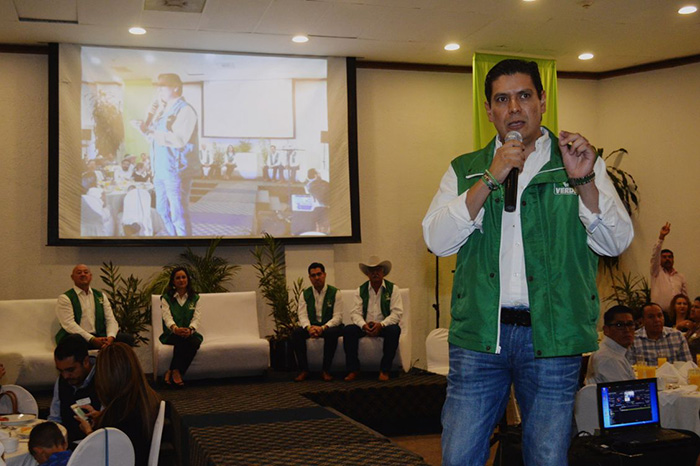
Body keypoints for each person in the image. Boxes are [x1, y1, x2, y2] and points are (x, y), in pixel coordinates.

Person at [422, 59, 634, 465]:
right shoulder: (466, 169)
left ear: (542, 101)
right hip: (480, 336)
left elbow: (616, 242)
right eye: (502, 99)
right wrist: (491, 177)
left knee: (547, 456)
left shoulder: (578, 162)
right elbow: (436, 240)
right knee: (460, 454)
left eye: (524, 96)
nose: (515, 108)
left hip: (553, 338)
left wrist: (584, 182)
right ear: (489, 110)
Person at [133, 73, 200, 236]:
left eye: (163, 86)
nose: (159, 90)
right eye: (158, 86)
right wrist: (144, 129)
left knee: (178, 214)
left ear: (175, 87)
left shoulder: (185, 110)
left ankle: (186, 245)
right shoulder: (163, 111)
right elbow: (155, 140)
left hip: (176, 171)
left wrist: (150, 131)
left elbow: (179, 140)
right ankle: (174, 240)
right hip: (160, 170)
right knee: (162, 212)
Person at [76, 343, 160, 466]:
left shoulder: (118, 415)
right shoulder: (144, 399)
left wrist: (90, 433)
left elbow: (105, 458)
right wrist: (101, 416)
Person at [343, 256, 403, 382]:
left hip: (384, 326)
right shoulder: (360, 290)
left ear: (383, 272)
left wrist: (381, 325)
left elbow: (397, 313)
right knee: (348, 330)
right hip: (365, 326)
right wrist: (363, 325)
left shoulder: (393, 289)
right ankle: (353, 369)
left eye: (378, 270)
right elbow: (355, 313)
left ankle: (385, 370)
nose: (375, 273)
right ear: (367, 274)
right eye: (371, 270)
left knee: (394, 330)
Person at [55, 264, 133, 348]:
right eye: (79, 272)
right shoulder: (65, 298)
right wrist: (91, 339)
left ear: (90, 276)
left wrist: (110, 337)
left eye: (86, 272)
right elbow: (69, 324)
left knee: (127, 338)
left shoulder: (100, 296)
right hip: (80, 337)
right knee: (75, 340)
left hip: (100, 336)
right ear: (72, 277)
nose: (83, 274)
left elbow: (110, 320)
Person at [292, 262, 344, 382]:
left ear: (324, 275)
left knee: (331, 333)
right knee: (296, 333)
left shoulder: (335, 293)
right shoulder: (305, 294)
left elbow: (338, 317)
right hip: (312, 327)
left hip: (328, 327)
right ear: (310, 278)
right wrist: (309, 328)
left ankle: (326, 370)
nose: (317, 278)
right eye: (313, 275)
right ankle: (304, 370)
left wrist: (323, 328)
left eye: (319, 274)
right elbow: (302, 315)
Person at [48, 335, 101, 445]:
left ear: (85, 362)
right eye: (60, 371)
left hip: (96, 444)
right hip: (68, 445)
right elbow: (55, 418)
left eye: (70, 370)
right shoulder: (61, 380)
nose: (65, 376)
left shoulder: (104, 377)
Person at [159, 267, 202, 387]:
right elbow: (167, 317)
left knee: (194, 342)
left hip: (189, 333)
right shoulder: (166, 298)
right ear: (173, 281)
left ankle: (174, 371)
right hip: (171, 334)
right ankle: (176, 373)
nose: (181, 280)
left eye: (184, 277)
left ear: (188, 279)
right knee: (181, 340)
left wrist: (190, 329)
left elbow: (197, 317)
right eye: (178, 278)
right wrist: (175, 329)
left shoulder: (195, 298)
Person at [627, 302, 692, 365]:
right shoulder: (633, 339)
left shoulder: (677, 336)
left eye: (659, 316)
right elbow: (630, 368)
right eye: (651, 317)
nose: (657, 320)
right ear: (642, 320)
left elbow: (687, 365)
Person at [585, 306, 636, 384]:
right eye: (619, 325)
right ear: (606, 330)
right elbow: (625, 390)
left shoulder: (615, 350)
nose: (627, 330)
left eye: (630, 324)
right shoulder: (609, 358)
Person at [650, 222, 688, 312]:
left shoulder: (680, 277)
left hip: (676, 314)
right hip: (659, 313)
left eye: (670, 257)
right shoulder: (656, 272)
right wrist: (661, 237)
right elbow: (655, 255)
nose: (667, 259)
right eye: (664, 257)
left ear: (673, 259)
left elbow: (684, 297)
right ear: (660, 259)